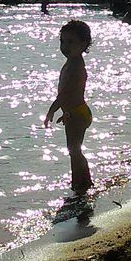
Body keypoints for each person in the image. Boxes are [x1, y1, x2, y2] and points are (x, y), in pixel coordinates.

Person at [43, 20, 93, 194]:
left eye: (71, 42)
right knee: (74, 150)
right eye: (62, 42)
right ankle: (82, 181)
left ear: (84, 44)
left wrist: (51, 110)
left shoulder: (75, 66)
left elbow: (64, 93)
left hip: (78, 114)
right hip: (74, 112)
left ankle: (80, 183)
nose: (65, 46)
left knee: (74, 150)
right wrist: (66, 112)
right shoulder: (72, 62)